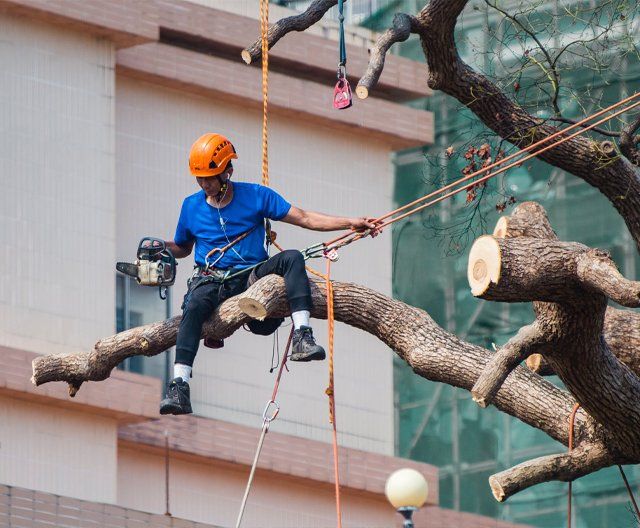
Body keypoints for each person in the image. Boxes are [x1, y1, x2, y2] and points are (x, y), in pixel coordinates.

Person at [159, 133, 380, 415]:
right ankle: (180, 386)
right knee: (193, 307)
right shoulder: (191, 206)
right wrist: (162, 247)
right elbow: (183, 247)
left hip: (251, 275)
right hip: (211, 278)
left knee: (292, 258)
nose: (205, 184)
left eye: (210, 177)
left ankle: (303, 335)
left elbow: (305, 218)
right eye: (199, 178)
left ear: (228, 171)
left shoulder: (255, 196)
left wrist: (349, 223)